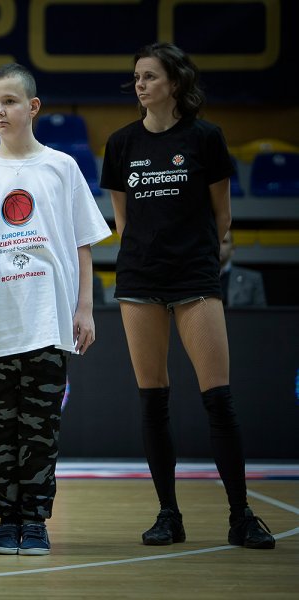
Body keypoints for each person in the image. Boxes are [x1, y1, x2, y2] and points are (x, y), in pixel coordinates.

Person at [100, 42, 275, 549]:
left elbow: (222, 217)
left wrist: (201, 256)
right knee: (154, 401)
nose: (140, 85)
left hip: (195, 279)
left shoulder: (205, 138)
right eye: (136, 77)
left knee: (217, 399)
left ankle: (241, 515)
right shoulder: (121, 143)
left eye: (150, 77)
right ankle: (168, 515)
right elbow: (125, 220)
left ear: (174, 84)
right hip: (139, 281)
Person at [0, 64, 111, 556]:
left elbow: (84, 243)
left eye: (9, 102)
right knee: (0, 429)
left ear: (33, 107)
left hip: (49, 318)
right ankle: (6, 521)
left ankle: (36, 521)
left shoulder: (62, 167)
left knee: (41, 429)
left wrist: (84, 309)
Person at [220, 230, 266, 307]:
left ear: (232, 249)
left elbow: (262, 316)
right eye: (215, 240)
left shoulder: (252, 279)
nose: (218, 245)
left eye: (224, 242)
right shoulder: (196, 278)